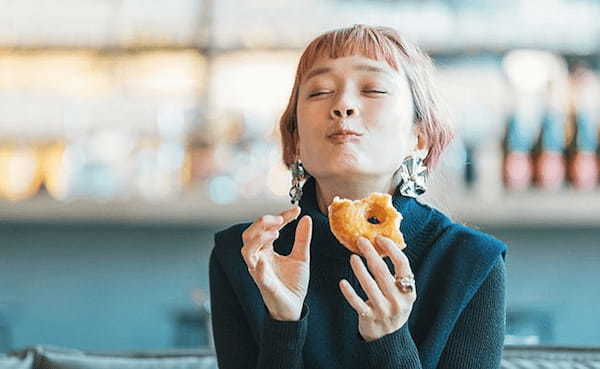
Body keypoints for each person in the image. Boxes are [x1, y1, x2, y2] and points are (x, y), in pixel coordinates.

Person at [209, 24, 507, 369]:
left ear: (420, 137)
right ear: (296, 139)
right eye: (320, 91)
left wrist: (390, 339)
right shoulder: (246, 258)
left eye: (374, 89)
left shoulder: (471, 261)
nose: (344, 105)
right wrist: (283, 324)